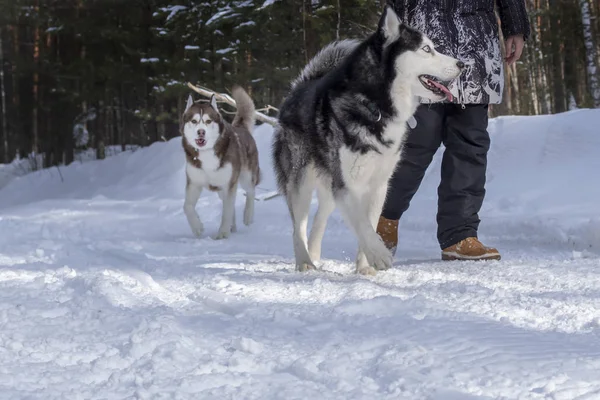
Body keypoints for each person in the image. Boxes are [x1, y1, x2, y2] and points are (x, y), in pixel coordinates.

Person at [377, 0, 530, 261]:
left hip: (475, 41)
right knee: (415, 143)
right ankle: (383, 218)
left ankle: (459, 236)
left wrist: (516, 24)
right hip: (421, 36)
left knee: (470, 144)